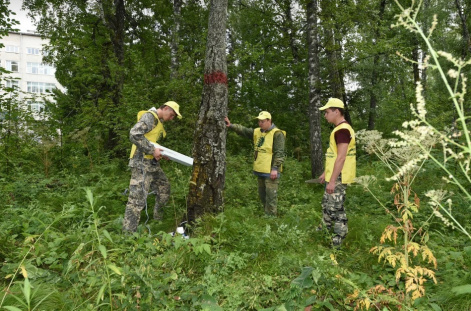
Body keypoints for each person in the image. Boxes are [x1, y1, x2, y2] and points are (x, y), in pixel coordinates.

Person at [123, 101, 182, 232]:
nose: (172, 119)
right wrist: (151, 150)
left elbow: (151, 141)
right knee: (137, 200)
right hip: (141, 163)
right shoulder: (150, 117)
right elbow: (134, 134)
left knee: (164, 187)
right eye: (171, 115)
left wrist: (161, 153)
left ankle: (157, 221)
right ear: (165, 108)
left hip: (152, 163)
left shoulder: (158, 121)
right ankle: (127, 235)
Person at [224, 111, 286, 216]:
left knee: (271, 196)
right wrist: (231, 126)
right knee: (263, 195)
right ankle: (266, 215)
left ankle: (271, 219)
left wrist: (275, 168)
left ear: (269, 121)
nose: (260, 123)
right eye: (259, 121)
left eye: (262, 121)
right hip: (260, 169)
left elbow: (279, 153)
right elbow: (244, 130)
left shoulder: (277, 133)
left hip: (271, 171)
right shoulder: (257, 131)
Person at [318, 98, 356, 247]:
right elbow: (333, 155)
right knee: (327, 203)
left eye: (327, 112)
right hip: (335, 174)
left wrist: (333, 180)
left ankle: (338, 238)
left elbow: (341, 157)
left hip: (339, 176)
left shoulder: (342, 130)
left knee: (336, 207)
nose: (325, 115)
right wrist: (325, 173)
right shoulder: (340, 129)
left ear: (337, 111)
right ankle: (324, 230)